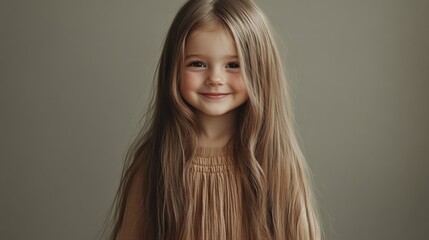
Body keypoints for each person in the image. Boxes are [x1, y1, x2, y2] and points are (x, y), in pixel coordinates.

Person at [101, 0, 323, 239]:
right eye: (197, 64)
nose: (215, 78)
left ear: (260, 70)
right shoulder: (155, 163)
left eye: (233, 65)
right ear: (173, 68)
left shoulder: (276, 162)